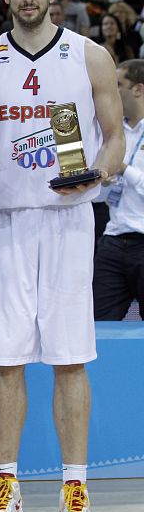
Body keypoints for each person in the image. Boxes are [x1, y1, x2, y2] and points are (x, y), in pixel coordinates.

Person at [0, 0, 125, 512]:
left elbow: (114, 141)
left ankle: (74, 489)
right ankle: (7, 485)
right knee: (5, 359)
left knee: (70, 358)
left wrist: (97, 175)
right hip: (5, 224)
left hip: (68, 220)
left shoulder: (90, 56)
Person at [93, 59, 144, 319]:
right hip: (113, 240)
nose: (111, 91)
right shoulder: (112, 134)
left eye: (118, 84)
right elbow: (99, 197)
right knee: (97, 325)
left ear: (138, 89)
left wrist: (123, 168)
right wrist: (102, 183)